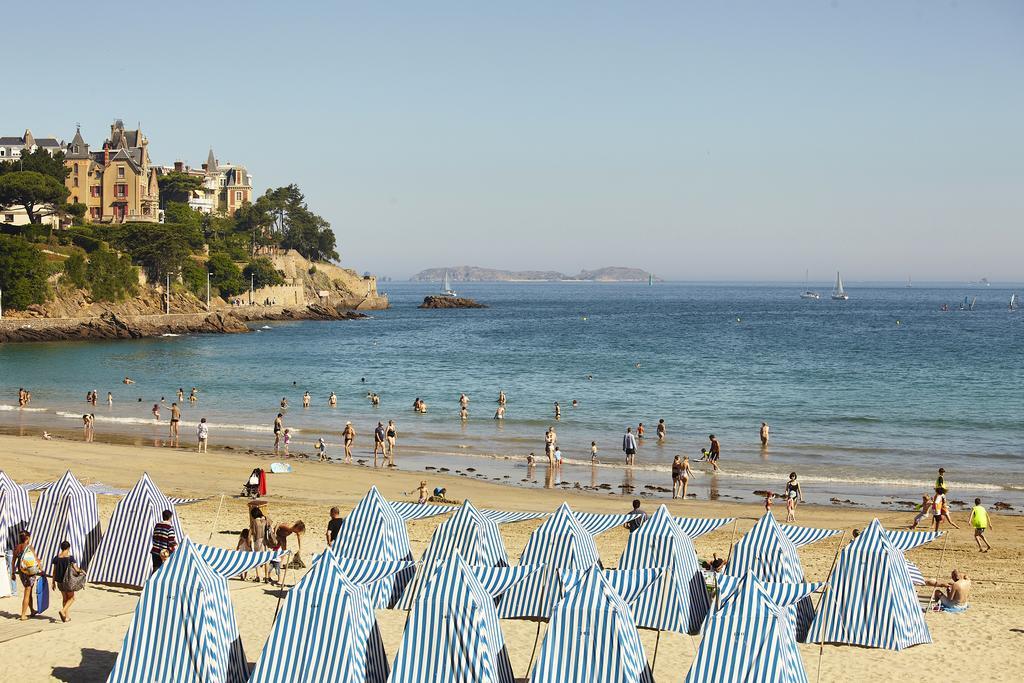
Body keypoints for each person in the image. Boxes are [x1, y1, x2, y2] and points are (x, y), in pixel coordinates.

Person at [51, 541, 84, 623]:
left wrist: (53, 582)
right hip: (68, 581)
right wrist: (82, 571)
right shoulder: (70, 558)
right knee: (72, 598)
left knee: (65, 599)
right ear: (68, 548)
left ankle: (66, 617)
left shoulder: (56, 558)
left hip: (59, 581)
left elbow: (54, 571)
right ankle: (63, 611)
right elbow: (76, 569)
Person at [11, 530, 40, 621]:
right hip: (29, 571)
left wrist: (13, 573)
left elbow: (13, 562)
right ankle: (23, 615)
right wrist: (41, 570)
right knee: (27, 591)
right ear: (27, 538)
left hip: (21, 571)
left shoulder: (17, 548)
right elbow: (36, 559)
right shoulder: (29, 547)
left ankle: (32, 610)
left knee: (29, 590)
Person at [249, 507, 271, 583]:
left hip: (258, 541)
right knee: (266, 560)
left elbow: (252, 532)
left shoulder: (255, 521)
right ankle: (267, 577)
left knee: (257, 559)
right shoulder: (265, 520)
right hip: (265, 541)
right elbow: (271, 524)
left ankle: (258, 576)